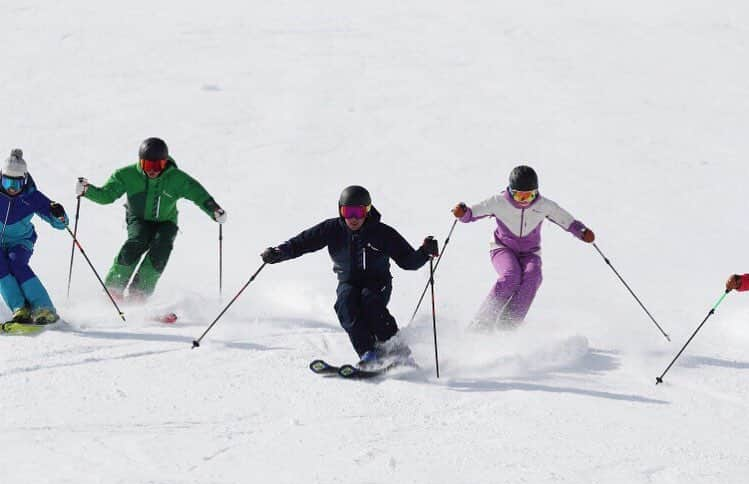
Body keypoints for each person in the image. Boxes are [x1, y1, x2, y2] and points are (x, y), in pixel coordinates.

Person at [260, 185, 439, 365]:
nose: (353, 218)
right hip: (348, 282)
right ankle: (368, 353)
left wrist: (424, 252)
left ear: (367, 211)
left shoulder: (382, 233)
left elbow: (408, 261)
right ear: (340, 210)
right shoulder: (331, 229)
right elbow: (302, 243)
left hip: (377, 283)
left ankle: (399, 353)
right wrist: (279, 253)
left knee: (370, 303)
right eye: (348, 211)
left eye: (359, 212)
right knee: (345, 305)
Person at [76, 138, 226, 301]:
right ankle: (114, 288)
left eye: (158, 166)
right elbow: (106, 196)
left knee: (161, 249)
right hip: (138, 218)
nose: (152, 171)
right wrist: (86, 190)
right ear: (141, 162)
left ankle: (139, 293)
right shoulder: (126, 175)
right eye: (148, 166)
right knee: (137, 241)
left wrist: (214, 210)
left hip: (166, 222)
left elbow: (199, 194)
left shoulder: (177, 179)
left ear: (165, 163)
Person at [452, 165, 595, 330]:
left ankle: (509, 324)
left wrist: (582, 232)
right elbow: (471, 214)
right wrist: (462, 213)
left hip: (529, 252)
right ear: (511, 191)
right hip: (502, 248)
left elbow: (566, 220)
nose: (525, 200)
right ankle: (482, 322)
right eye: (520, 196)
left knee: (533, 277)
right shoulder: (498, 202)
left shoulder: (544, 205)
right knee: (511, 276)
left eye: (530, 195)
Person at [0, 149, 68, 324]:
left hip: (21, 240)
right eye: (7, 183)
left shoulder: (32, 197)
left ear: (24, 180)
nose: (12, 189)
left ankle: (44, 308)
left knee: (16, 263)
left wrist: (59, 215)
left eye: (16, 184)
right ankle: (19, 308)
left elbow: (60, 224)